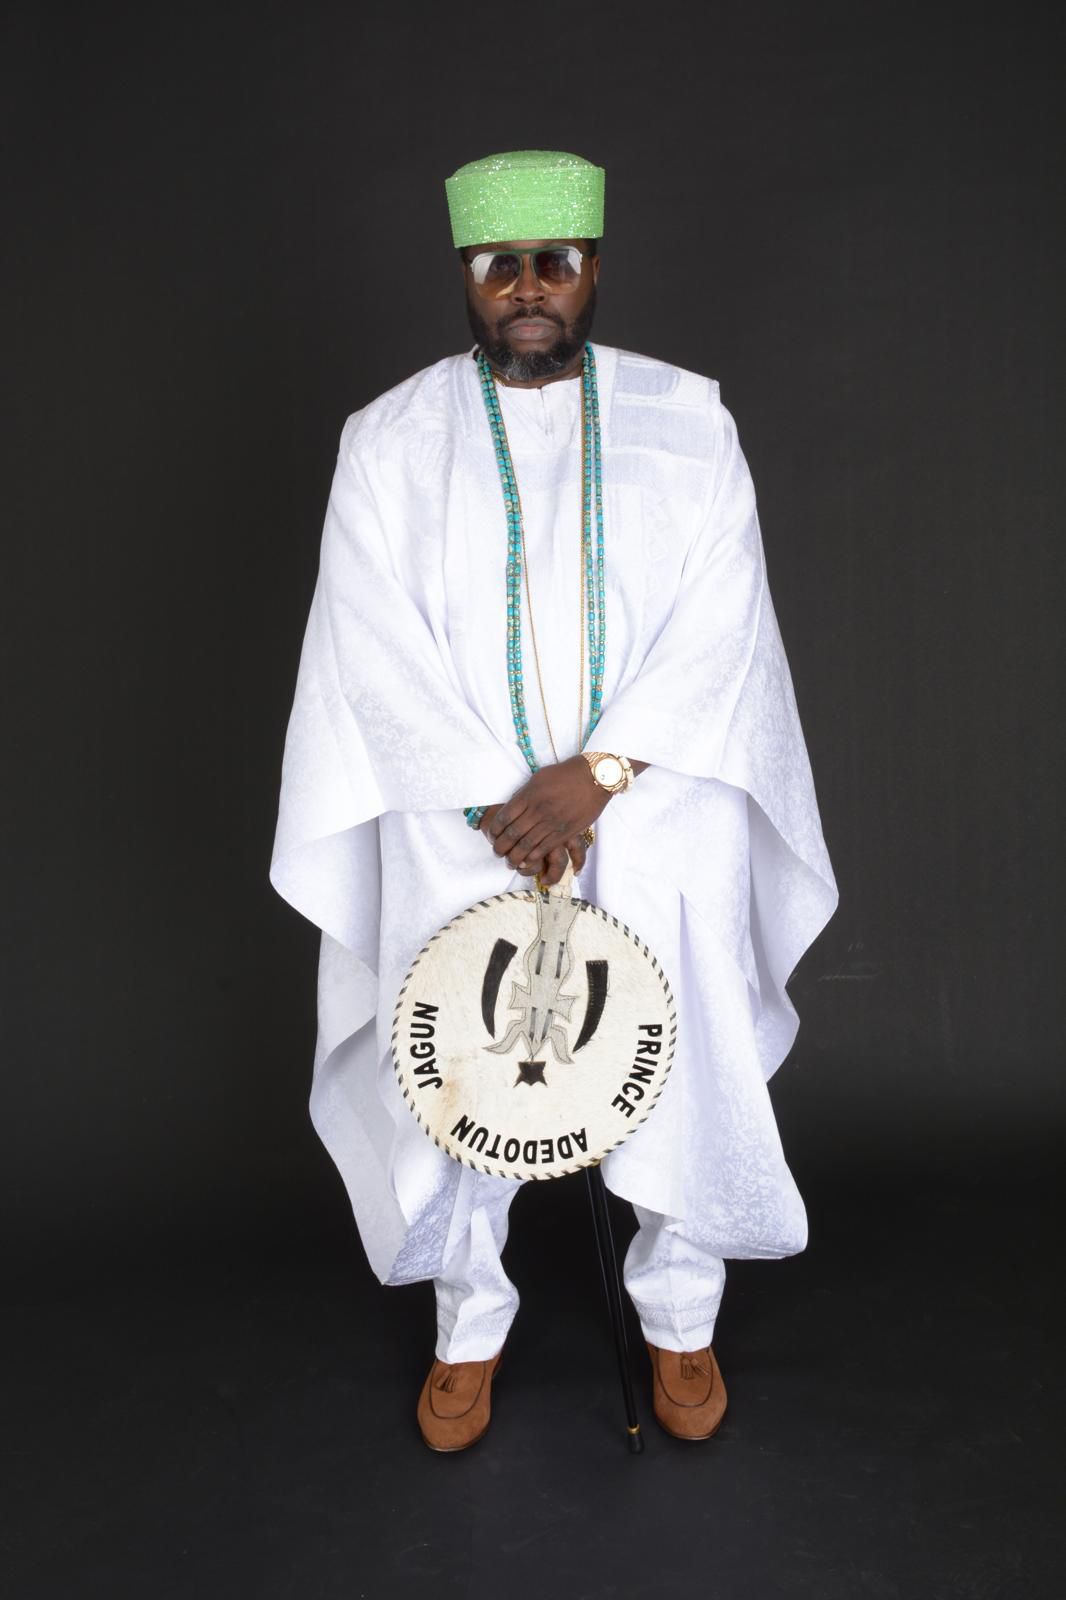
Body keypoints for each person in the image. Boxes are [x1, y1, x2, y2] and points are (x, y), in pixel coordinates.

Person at [270, 150, 838, 1452]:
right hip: (460, 820)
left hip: (655, 804)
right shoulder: (387, 440)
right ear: (466, 277)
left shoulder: (687, 421)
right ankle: (466, 1324)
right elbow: (368, 646)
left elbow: (724, 622)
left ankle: (679, 1311)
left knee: (677, 1049)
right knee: (458, 1063)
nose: (527, 289)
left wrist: (598, 776)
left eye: (554, 264)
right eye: (499, 267)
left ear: (593, 270)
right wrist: (502, 801)